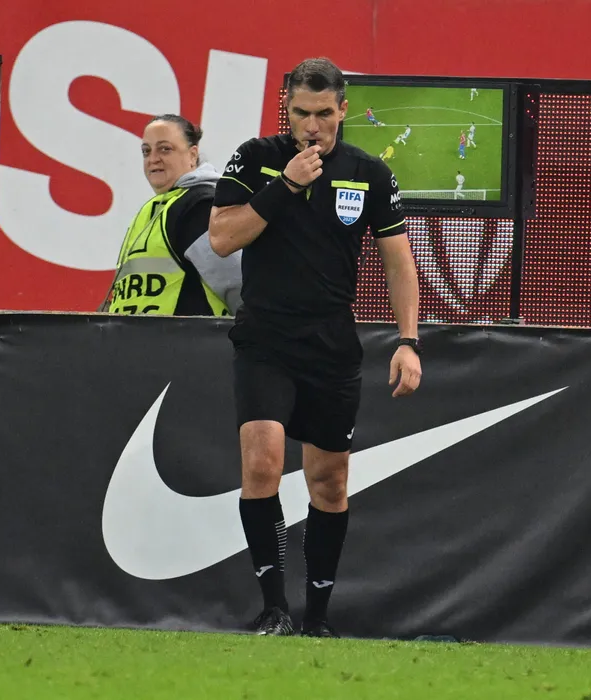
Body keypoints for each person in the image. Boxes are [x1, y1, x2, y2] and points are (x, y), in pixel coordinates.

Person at [208, 57, 422, 638]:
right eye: (301, 113)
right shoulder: (255, 158)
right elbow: (222, 238)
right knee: (262, 463)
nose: (312, 126)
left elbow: (399, 263)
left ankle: (318, 619)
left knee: (329, 482)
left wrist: (408, 341)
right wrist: (286, 185)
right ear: (286, 107)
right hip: (266, 337)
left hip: (331, 343)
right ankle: (273, 609)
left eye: (324, 114)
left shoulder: (369, 173)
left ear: (343, 110)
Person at [100, 114, 242, 316]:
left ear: (192, 155)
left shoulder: (198, 206)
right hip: (140, 337)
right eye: (146, 151)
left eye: (165, 149)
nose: (153, 159)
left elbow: (238, 284)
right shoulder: (155, 211)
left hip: (191, 336)